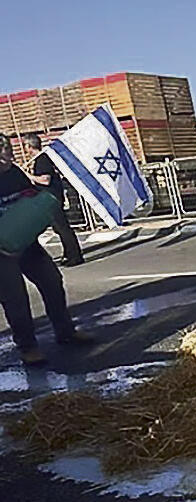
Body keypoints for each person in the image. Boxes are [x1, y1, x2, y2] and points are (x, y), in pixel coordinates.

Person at [0, 135, 93, 366]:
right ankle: (28, 348)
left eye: (9, 149)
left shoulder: (15, 173)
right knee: (15, 298)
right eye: (4, 151)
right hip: (1, 251)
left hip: (26, 242)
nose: (10, 154)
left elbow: (30, 195)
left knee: (52, 280)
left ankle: (66, 332)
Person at [22, 134, 83, 266]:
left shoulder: (42, 159)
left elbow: (45, 180)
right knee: (58, 228)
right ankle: (68, 254)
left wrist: (28, 176)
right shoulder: (39, 159)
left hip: (52, 198)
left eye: (25, 145)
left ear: (29, 146)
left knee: (62, 227)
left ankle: (75, 256)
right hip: (47, 199)